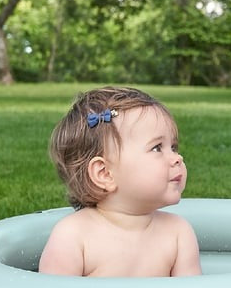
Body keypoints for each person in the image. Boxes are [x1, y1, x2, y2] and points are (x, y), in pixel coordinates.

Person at [39, 86, 202, 277]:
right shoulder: (74, 236)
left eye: (173, 147)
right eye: (157, 148)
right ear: (105, 173)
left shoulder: (178, 233)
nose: (177, 158)